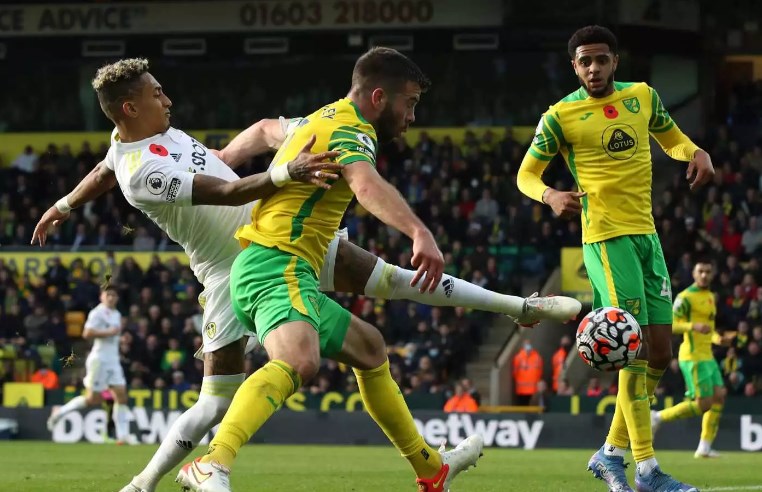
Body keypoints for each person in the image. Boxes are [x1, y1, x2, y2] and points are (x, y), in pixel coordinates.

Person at [31, 58, 580, 492]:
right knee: (223, 398)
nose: (167, 99)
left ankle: (515, 315)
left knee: (377, 322)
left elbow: (117, 164)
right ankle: (161, 476)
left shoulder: (138, 142)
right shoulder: (144, 172)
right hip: (237, 262)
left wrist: (63, 205)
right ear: (130, 108)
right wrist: (285, 172)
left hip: (286, 242)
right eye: (156, 94)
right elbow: (227, 191)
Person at [179, 47, 487, 492]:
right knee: (298, 360)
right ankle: (212, 462)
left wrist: (226, 154)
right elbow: (365, 184)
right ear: (379, 97)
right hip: (275, 266)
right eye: (410, 103)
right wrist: (419, 232)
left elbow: (265, 128)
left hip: (282, 269)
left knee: (370, 348)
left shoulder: (319, 117)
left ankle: (430, 469)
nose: (412, 116)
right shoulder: (352, 129)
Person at [517, 25, 714, 492]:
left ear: (615, 62)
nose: (593, 68)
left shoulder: (642, 96)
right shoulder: (559, 116)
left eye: (601, 59)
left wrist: (696, 152)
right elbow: (526, 174)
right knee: (634, 348)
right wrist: (549, 195)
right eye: (584, 61)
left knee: (660, 351)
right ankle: (646, 469)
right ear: (574, 67)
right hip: (606, 240)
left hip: (647, 235)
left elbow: (672, 138)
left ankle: (610, 452)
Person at [651, 261, 727, 458]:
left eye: (708, 271)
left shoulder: (710, 296)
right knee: (704, 404)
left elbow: (708, 329)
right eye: (700, 271)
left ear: (712, 274)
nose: (704, 275)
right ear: (694, 273)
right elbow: (671, 325)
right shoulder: (685, 297)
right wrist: (692, 326)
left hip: (708, 356)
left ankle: (705, 446)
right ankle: (658, 416)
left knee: (719, 396)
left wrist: (718, 339)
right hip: (693, 357)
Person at [46, 284, 137, 444]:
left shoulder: (116, 314)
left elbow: (113, 335)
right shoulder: (97, 313)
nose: (111, 298)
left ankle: (122, 436)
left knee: (121, 396)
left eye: (114, 295)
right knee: (92, 399)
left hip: (113, 360)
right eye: (108, 295)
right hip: (99, 360)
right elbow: (86, 333)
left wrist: (120, 339)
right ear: (102, 296)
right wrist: (109, 333)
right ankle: (60, 412)